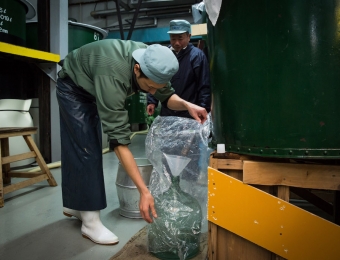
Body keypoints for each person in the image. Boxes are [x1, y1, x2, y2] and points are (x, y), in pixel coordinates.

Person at [56, 39, 207, 246]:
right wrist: (144, 192)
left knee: (82, 144)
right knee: (86, 147)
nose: (152, 92)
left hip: (94, 78)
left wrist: (187, 105)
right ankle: (90, 222)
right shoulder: (113, 75)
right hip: (74, 86)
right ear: (137, 69)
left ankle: (77, 205)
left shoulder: (152, 60)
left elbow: (166, 95)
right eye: (150, 87)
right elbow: (118, 140)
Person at [146, 19, 211, 119]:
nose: (176, 43)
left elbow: (204, 85)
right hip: (167, 113)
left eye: (180, 38)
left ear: (189, 37)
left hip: (190, 114)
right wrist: (151, 101)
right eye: (173, 38)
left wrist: (203, 108)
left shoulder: (197, 56)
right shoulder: (164, 54)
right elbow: (156, 79)